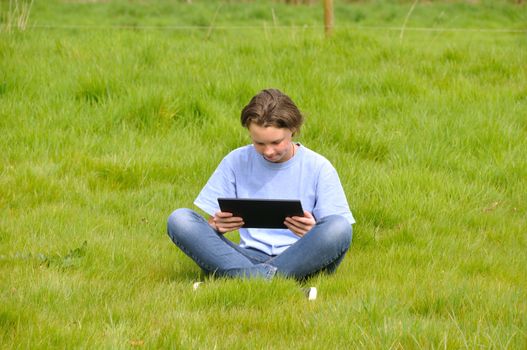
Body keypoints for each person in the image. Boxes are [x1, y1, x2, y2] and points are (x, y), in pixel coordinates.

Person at [167, 89, 355, 281]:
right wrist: (215, 226)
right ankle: (269, 278)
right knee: (180, 220)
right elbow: (207, 228)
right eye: (259, 143)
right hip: (247, 256)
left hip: (302, 257)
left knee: (340, 226)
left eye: (276, 142)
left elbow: (335, 232)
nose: (268, 152)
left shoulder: (319, 167)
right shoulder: (235, 161)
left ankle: (243, 277)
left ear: (293, 129)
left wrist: (312, 231)